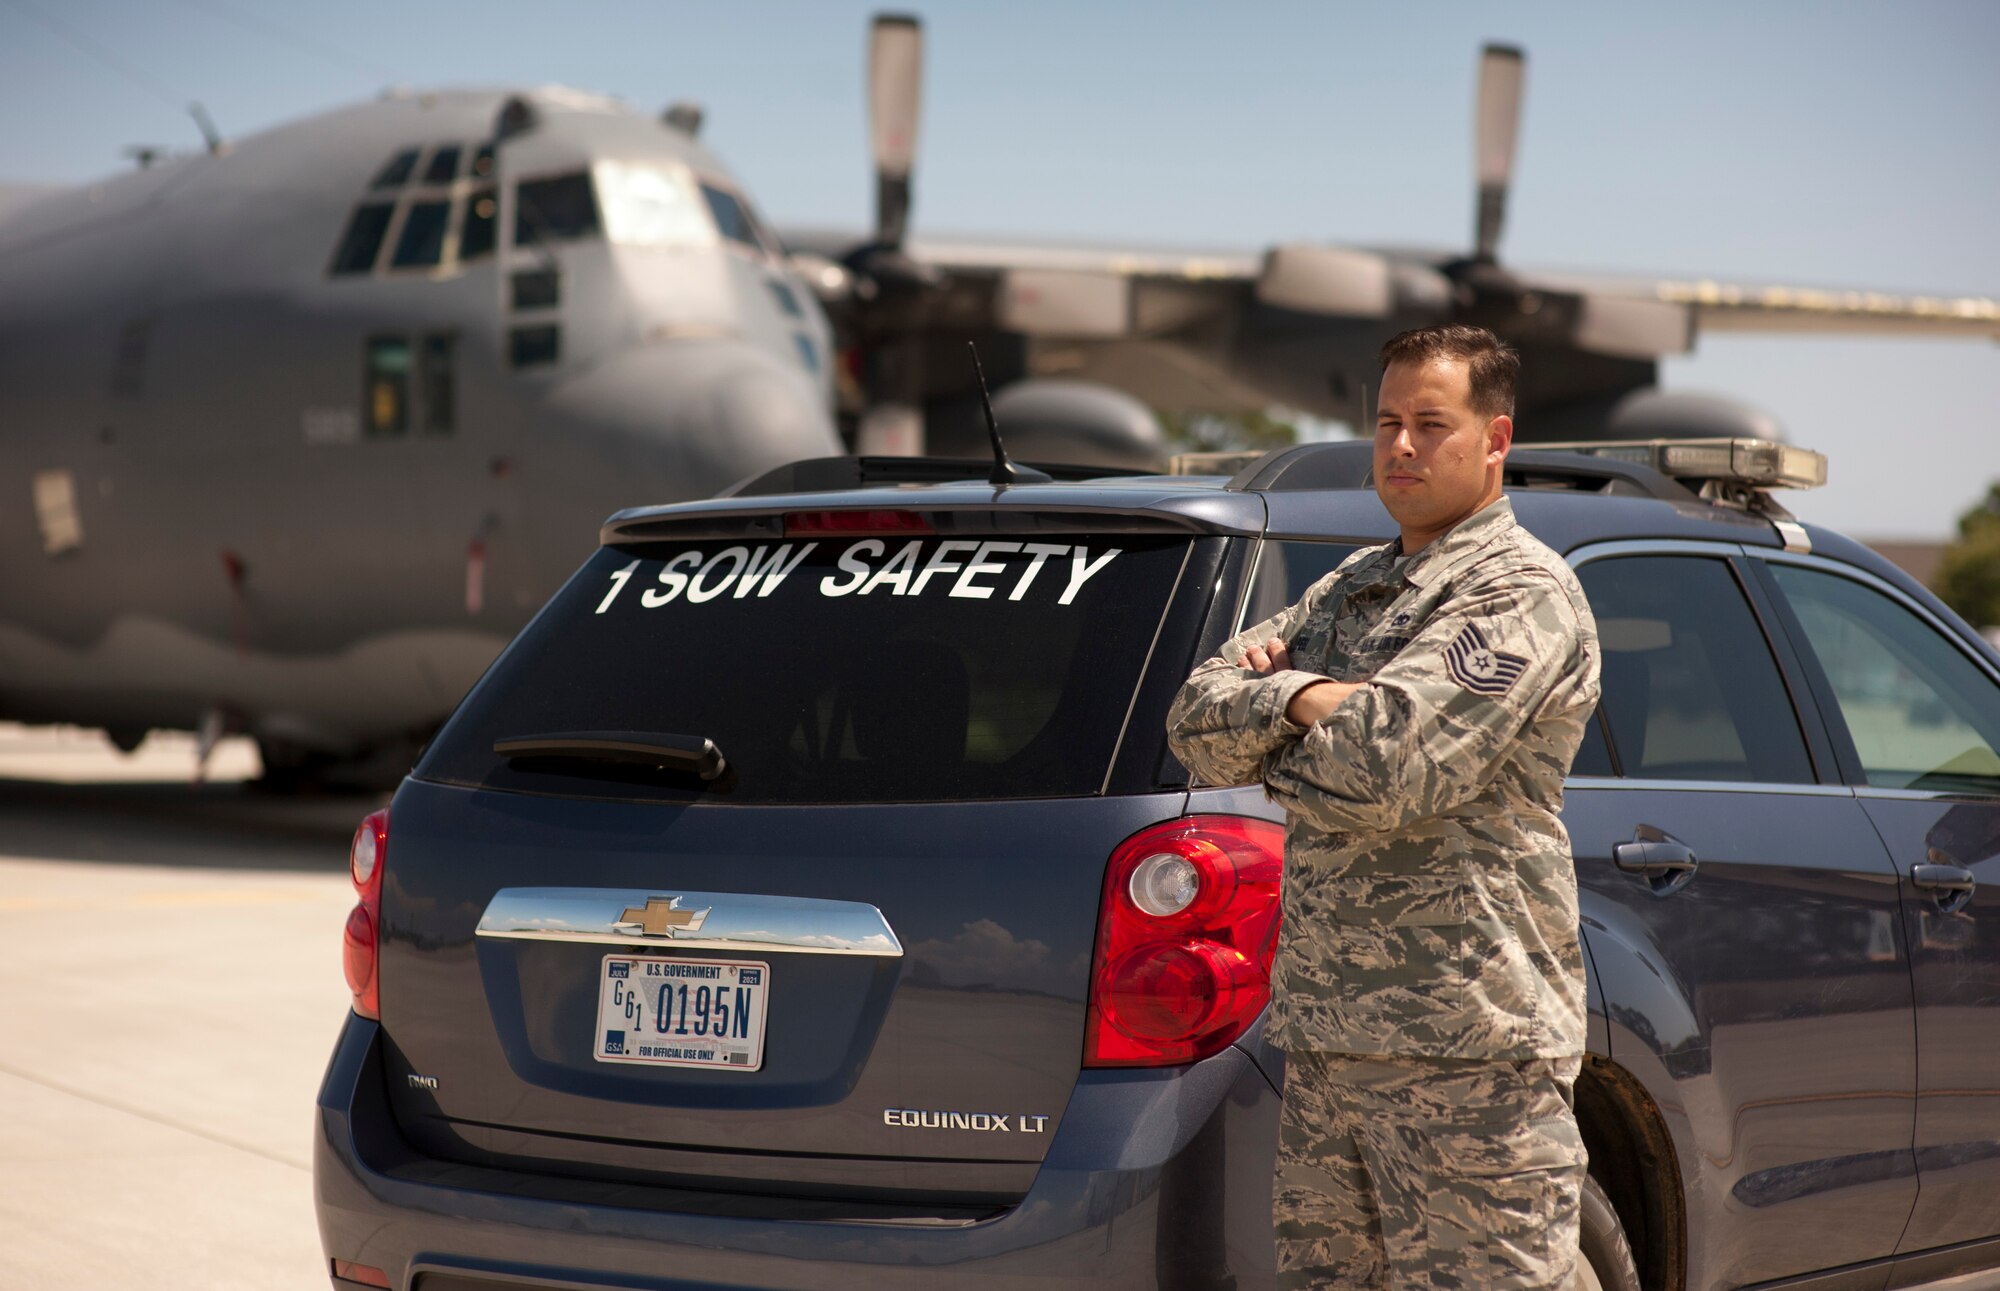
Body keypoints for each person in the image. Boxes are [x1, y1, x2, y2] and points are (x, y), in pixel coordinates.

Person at [1167, 324, 1601, 1288]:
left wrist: (1284, 721)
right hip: (1330, 1044)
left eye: (1431, 424)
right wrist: (1306, 697)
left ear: (1495, 439)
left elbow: (1387, 770)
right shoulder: (1351, 587)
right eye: (1388, 422)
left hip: (1468, 1054)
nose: (1402, 446)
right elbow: (1193, 717)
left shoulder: (1517, 593)